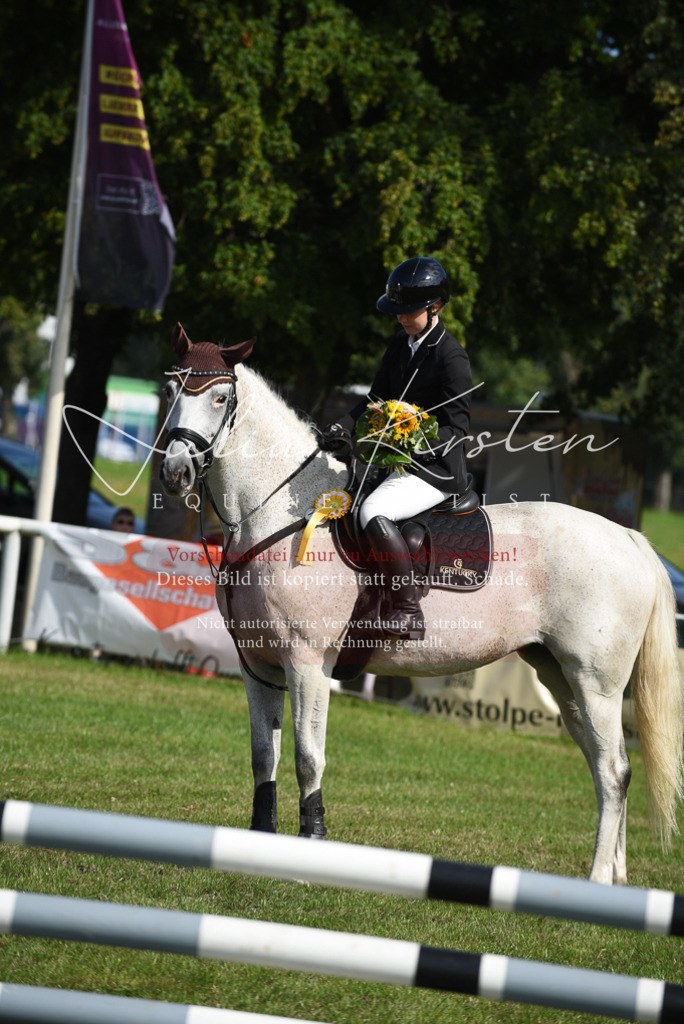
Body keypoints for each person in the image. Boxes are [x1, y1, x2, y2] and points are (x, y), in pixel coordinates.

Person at [319, 256, 472, 638]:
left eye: (410, 311)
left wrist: (413, 441)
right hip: (397, 462)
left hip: (436, 471)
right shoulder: (399, 346)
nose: (402, 318)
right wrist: (342, 426)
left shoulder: (451, 356)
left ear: (434, 306)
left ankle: (408, 610)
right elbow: (374, 398)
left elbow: (458, 427)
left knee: (373, 509)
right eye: (398, 312)